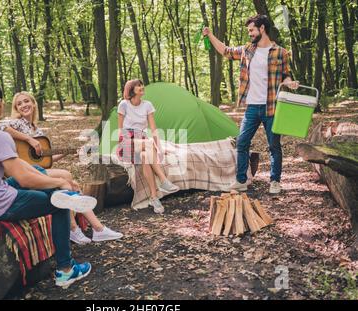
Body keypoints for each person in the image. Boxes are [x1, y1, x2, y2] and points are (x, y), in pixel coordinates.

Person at [0, 80, 94, 289]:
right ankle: (66, 270)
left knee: (38, 170)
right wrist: (59, 183)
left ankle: (67, 194)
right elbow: (24, 180)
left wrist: (58, 181)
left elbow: (23, 168)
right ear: (0, 103)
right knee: (59, 204)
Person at [0, 91, 123, 244]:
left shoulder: (37, 131)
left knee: (67, 180)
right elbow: (1, 127)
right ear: (16, 109)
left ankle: (86, 229)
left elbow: (46, 161)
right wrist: (29, 140)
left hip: (36, 170)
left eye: (26, 101)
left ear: (33, 103)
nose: (24, 105)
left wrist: (68, 153)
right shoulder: (17, 123)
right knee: (65, 177)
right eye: (19, 104)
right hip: (21, 175)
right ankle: (84, 228)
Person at [203, 14, 300, 194]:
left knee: (274, 146)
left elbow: (286, 75)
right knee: (242, 143)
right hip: (252, 107)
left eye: (251, 30)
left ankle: (275, 181)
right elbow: (225, 50)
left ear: (262, 29)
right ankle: (241, 180)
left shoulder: (281, 52)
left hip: (271, 107)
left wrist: (289, 82)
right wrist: (210, 35)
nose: (249, 33)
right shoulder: (248, 50)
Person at [117, 79, 180, 214]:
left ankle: (153, 197)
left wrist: (160, 149)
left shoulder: (147, 105)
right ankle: (163, 180)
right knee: (149, 144)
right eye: (138, 86)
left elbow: (153, 129)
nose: (142, 87)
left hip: (143, 141)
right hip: (127, 141)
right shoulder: (124, 105)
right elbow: (120, 129)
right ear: (131, 89)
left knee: (146, 157)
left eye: (141, 84)